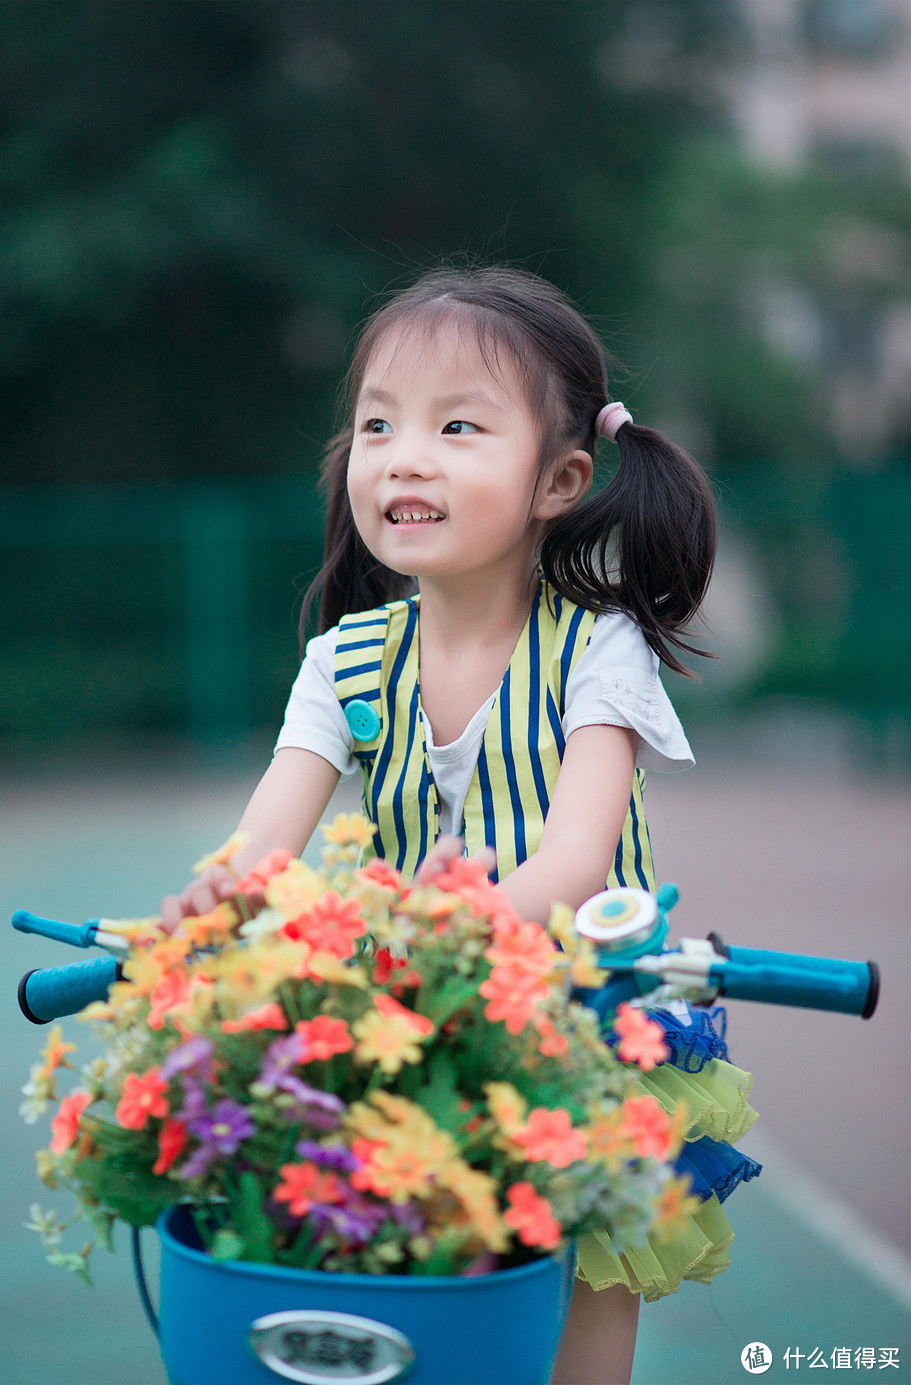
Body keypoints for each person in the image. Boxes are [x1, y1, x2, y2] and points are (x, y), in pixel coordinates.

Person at [161, 265, 760, 1385]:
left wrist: (431, 921)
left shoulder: (599, 647)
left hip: (581, 1028)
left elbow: (577, 859)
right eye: (377, 423)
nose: (403, 454)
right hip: (406, 1019)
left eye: (457, 426)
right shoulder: (342, 661)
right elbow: (259, 848)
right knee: (401, 1305)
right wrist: (214, 900)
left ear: (560, 478)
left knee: (577, 1324)